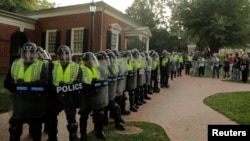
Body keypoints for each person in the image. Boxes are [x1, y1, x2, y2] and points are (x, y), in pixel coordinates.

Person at [4, 42, 49, 141]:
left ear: (35, 53)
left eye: (31, 52)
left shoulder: (41, 65)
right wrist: (16, 88)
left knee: (36, 129)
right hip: (18, 102)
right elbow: (7, 83)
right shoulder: (15, 63)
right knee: (14, 129)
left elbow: (46, 86)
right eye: (26, 52)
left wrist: (29, 86)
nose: (29, 54)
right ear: (23, 52)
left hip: (35, 103)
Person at [51, 45, 82, 141]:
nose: (64, 56)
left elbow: (79, 81)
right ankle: (52, 137)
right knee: (51, 118)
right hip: (55, 96)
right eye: (61, 54)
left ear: (70, 54)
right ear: (58, 55)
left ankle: (73, 136)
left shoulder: (76, 66)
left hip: (70, 96)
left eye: (66, 54)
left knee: (71, 118)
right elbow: (48, 80)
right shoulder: (52, 65)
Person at [103, 51, 125, 130]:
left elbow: (118, 74)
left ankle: (114, 120)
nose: (112, 60)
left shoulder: (114, 66)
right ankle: (114, 122)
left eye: (113, 58)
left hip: (113, 91)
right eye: (110, 58)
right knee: (112, 107)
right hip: (104, 93)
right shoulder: (103, 68)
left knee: (116, 106)